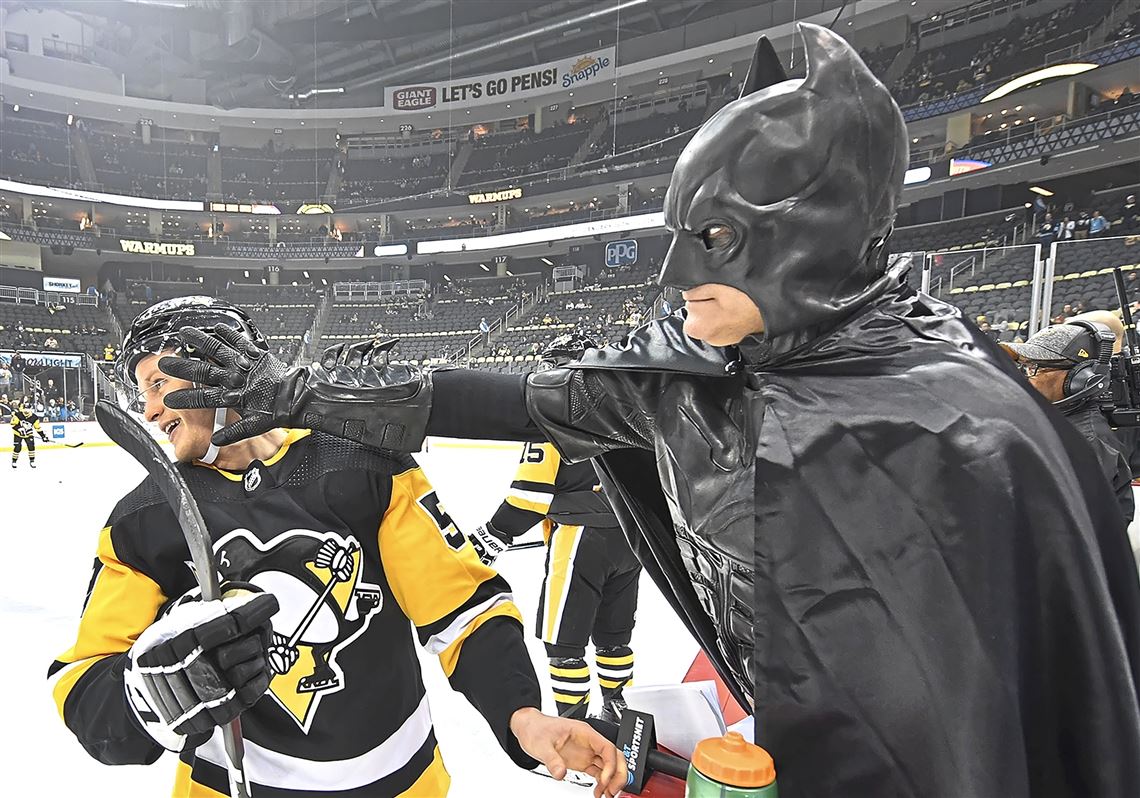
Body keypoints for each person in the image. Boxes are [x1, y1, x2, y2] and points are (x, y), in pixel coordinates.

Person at [161, 26, 1140, 797]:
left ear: (809, 237)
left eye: (712, 236)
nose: (677, 277)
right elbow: (508, 399)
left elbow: (1023, 642)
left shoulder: (958, 421)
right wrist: (297, 391)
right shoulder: (699, 375)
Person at [50, 297, 625, 798]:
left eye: (158, 384)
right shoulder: (144, 519)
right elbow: (80, 682)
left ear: (218, 366)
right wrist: (151, 693)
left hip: (401, 782)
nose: (148, 410)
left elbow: (461, 609)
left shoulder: (359, 462)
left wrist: (521, 713)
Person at [468, 338, 641, 723]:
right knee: (614, 638)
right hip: (632, 539)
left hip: (580, 539)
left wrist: (492, 535)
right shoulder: (626, 410)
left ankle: (576, 728)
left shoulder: (555, 418)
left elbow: (529, 496)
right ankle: (618, 715)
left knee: (563, 642)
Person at [1002, 320, 1134, 523]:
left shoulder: (1085, 443)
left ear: (1081, 379)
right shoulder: (1060, 423)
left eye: (1034, 368)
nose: (1026, 377)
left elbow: (1061, 529)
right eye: (1024, 367)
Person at [11, 396, 49, 469]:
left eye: (28, 409)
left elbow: (38, 428)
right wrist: (20, 429)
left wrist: (43, 436)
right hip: (18, 434)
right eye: (25, 408)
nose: (26, 410)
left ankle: (32, 461)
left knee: (31, 447)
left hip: (28, 434)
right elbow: (13, 424)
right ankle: (14, 461)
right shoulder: (18, 415)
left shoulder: (34, 417)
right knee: (17, 447)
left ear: (31, 409)